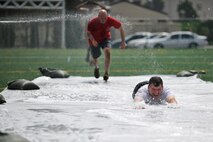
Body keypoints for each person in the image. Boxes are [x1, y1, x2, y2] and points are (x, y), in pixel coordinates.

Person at [87, 9, 126, 81]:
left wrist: (123, 41)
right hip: (94, 40)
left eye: (105, 18)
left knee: (107, 52)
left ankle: (106, 72)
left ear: (107, 16)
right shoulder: (92, 22)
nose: (103, 20)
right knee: (96, 56)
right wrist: (92, 40)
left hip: (105, 38)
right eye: (101, 18)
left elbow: (121, 28)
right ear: (98, 17)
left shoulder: (110, 20)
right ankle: (96, 67)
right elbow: (88, 33)